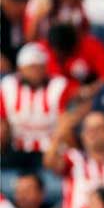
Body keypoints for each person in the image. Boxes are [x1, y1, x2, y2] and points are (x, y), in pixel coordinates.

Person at [0, 43, 75, 172]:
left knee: (60, 162)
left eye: (39, 67)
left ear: (45, 67)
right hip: (17, 146)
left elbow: (65, 122)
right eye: (31, 67)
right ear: (20, 68)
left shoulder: (58, 86)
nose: (35, 72)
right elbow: (2, 121)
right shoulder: (8, 86)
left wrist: (53, 147)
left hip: (49, 149)